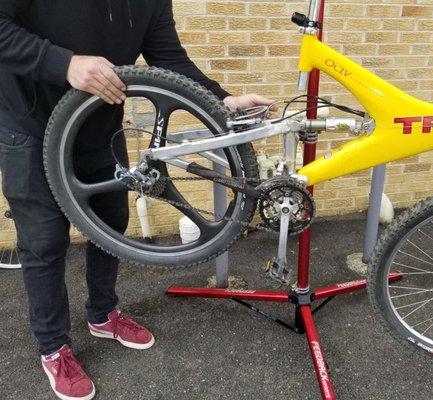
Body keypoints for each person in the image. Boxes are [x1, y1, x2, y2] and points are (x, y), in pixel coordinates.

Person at [0, 1, 274, 399]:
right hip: (28, 124)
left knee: (112, 222)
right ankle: (53, 346)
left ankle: (102, 314)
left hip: (98, 124)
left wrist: (223, 101)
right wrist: (65, 64)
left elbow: (170, 58)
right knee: (43, 242)